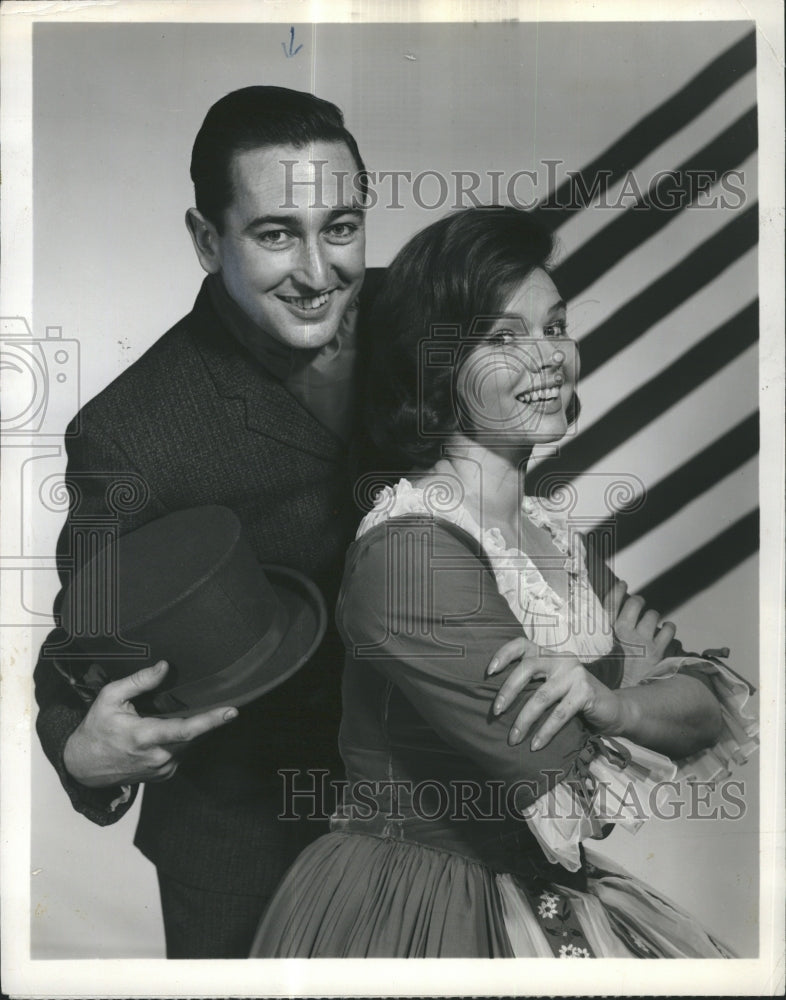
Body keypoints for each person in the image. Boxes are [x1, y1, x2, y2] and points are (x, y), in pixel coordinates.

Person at [250, 207, 758, 957]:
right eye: (502, 339)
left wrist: (607, 700)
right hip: (412, 904)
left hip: (550, 891)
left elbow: (709, 704)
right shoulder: (408, 555)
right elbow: (574, 792)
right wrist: (630, 689)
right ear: (436, 367)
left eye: (555, 327)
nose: (548, 358)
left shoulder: (549, 536)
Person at [33, 86, 384, 958]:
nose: (317, 270)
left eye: (340, 227)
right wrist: (83, 751)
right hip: (248, 854)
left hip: (444, 820)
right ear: (205, 240)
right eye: (275, 235)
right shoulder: (131, 430)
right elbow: (84, 645)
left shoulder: (422, 317)